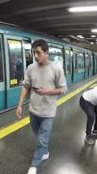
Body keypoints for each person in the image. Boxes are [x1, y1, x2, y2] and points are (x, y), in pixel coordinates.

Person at [15, 39, 67, 174]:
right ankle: (44, 152)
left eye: (39, 53)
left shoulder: (56, 68)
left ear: (46, 52)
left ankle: (35, 164)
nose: (36, 56)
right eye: (34, 53)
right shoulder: (30, 68)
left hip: (48, 113)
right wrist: (19, 105)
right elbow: (26, 86)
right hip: (33, 110)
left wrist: (47, 92)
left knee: (42, 139)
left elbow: (63, 89)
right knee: (39, 137)